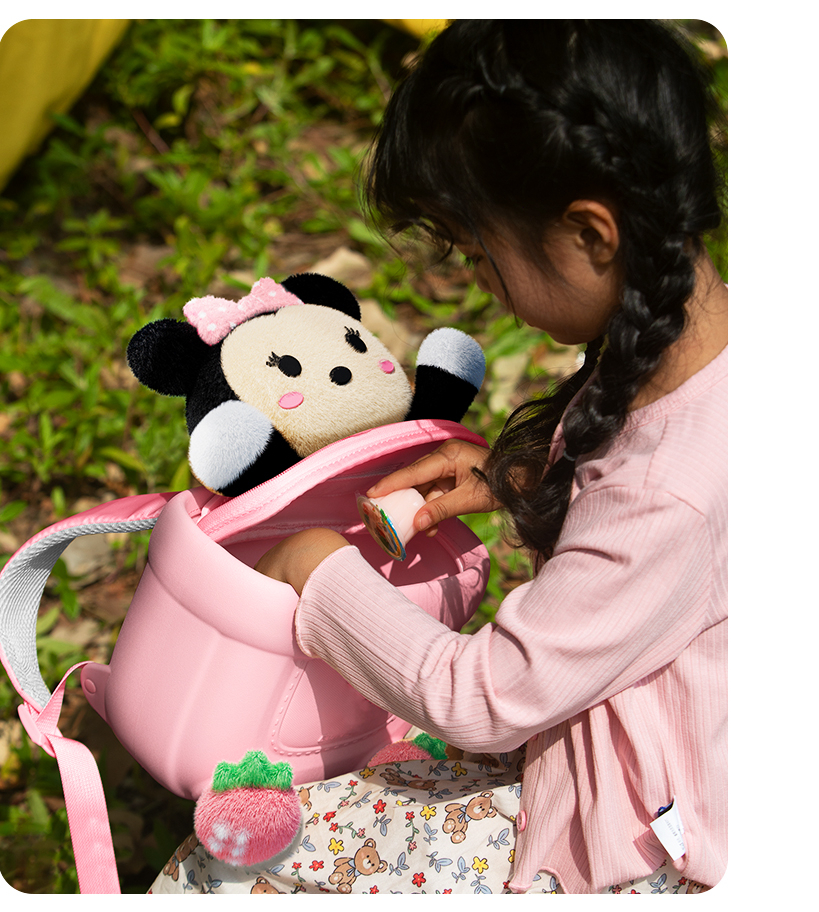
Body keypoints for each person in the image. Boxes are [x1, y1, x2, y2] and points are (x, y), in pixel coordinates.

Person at [149, 19, 727, 894]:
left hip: (636, 836)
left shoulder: (663, 494)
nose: (478, 281)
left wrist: (318, 569)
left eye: (481, 253)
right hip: (664, 749)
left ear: (591, 235)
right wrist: (520, 478)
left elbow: (487, 697)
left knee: (236, 867)